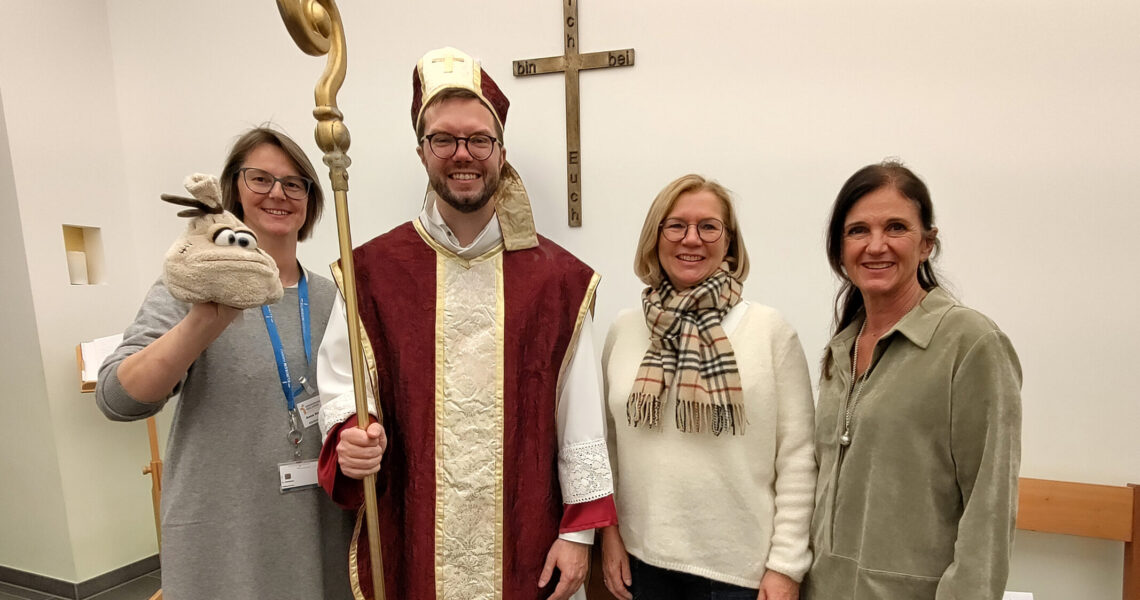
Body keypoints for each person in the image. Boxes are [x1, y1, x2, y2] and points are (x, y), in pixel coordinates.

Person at [315, 47, 617, 600]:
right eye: (444, 139)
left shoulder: (559, 279)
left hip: (526, 529)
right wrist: (351, 436)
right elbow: (343, 386)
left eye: (479, 139)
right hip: (415, 527)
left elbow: (582, 416)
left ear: (500, 151)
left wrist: (578, 533)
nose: (463, 154)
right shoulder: (369, 274)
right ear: (421, 150)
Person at [96, 127, 354, 599]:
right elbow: (118, 398)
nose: (278, 193)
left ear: (310, 201)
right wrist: (206, 319)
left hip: (319, 525)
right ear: (232, 190)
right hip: (226, 532)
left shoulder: (335, 297)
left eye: (294, 183)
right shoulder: (190, 289)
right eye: (260, 179)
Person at [803, 161, 1022, 599]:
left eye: (896, 227)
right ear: (839, 249)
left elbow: (989, 509)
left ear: (926, 244)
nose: (876, 245)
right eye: (858, 230)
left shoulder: (971, 343)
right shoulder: (840, 351)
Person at [599, 174, 817, 600]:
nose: (691, 239)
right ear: (655, 237)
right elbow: (607, 446)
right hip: (643, 566)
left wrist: (787, 567)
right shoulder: (625, 328)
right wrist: (610, 535)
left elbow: (798, 457)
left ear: (729, 242)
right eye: (676, 225)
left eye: (709, 226)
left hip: (741, 577)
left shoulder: (769, 330)